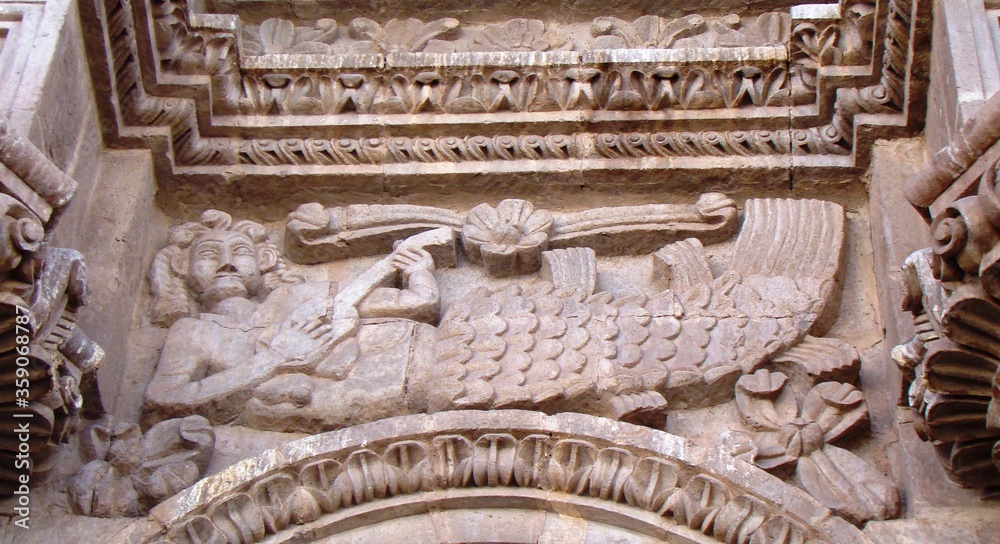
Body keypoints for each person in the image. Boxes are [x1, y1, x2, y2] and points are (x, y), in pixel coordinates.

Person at [144, 210, 439, 432]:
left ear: (264, 260)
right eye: (209, 254)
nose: (227, 263)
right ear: (182, 266)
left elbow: (418, 303)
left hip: (409, 372)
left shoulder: (295, 297)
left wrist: (417, 271)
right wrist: (275, 360)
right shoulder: (195, 332)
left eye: (241, 252)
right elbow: (165, 400)